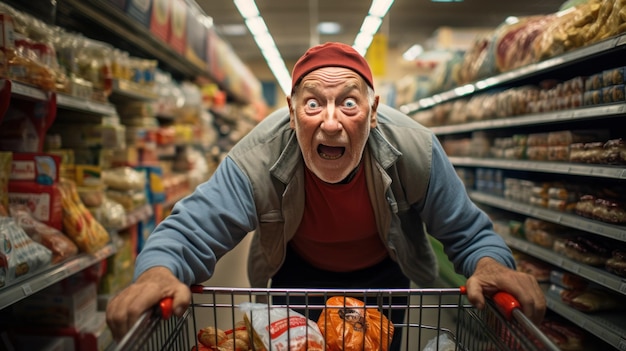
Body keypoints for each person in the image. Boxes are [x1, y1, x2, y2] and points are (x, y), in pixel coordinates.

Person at [106, 42, 545, 348]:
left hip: (382, 282)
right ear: (291, 112)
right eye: (313, 104)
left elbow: (469, 233)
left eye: (349, 104)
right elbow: (191, 229)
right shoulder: (257, 158)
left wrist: (489, 265)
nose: (331, 123)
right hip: (299, 280)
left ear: (373, 114)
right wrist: (157, 273)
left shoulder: (416, 150)